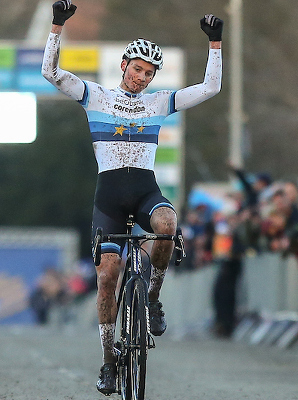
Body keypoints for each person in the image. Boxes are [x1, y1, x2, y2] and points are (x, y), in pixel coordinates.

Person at [41, 1, 223, 394]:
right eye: (137, 68)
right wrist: (57, 24)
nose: (142, 77)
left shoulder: (159, 103)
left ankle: (152, 298)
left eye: (149, 72)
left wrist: (215, 44)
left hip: (145, 192)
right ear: (124, 65)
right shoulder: (95, 96)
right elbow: (50, 72)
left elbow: (210, 88)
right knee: (107, 276)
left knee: (168, 226)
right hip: (109, 199)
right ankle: (108, 362)